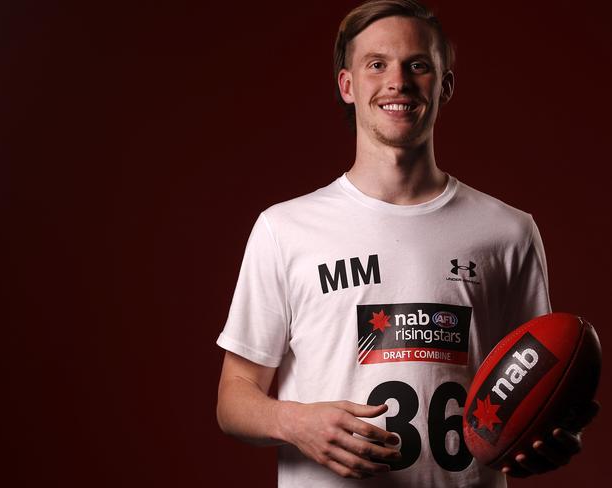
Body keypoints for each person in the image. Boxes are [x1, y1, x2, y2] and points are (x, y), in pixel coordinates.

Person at [215, 1, 597, 486]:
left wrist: (550, 428)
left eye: (418, 65)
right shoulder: (284, 228)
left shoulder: (509, 232)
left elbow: (535, 386)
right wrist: (293, 421)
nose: (398, 81)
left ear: (446, 85)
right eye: (377, 64)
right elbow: (234, 397)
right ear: (348, 85)